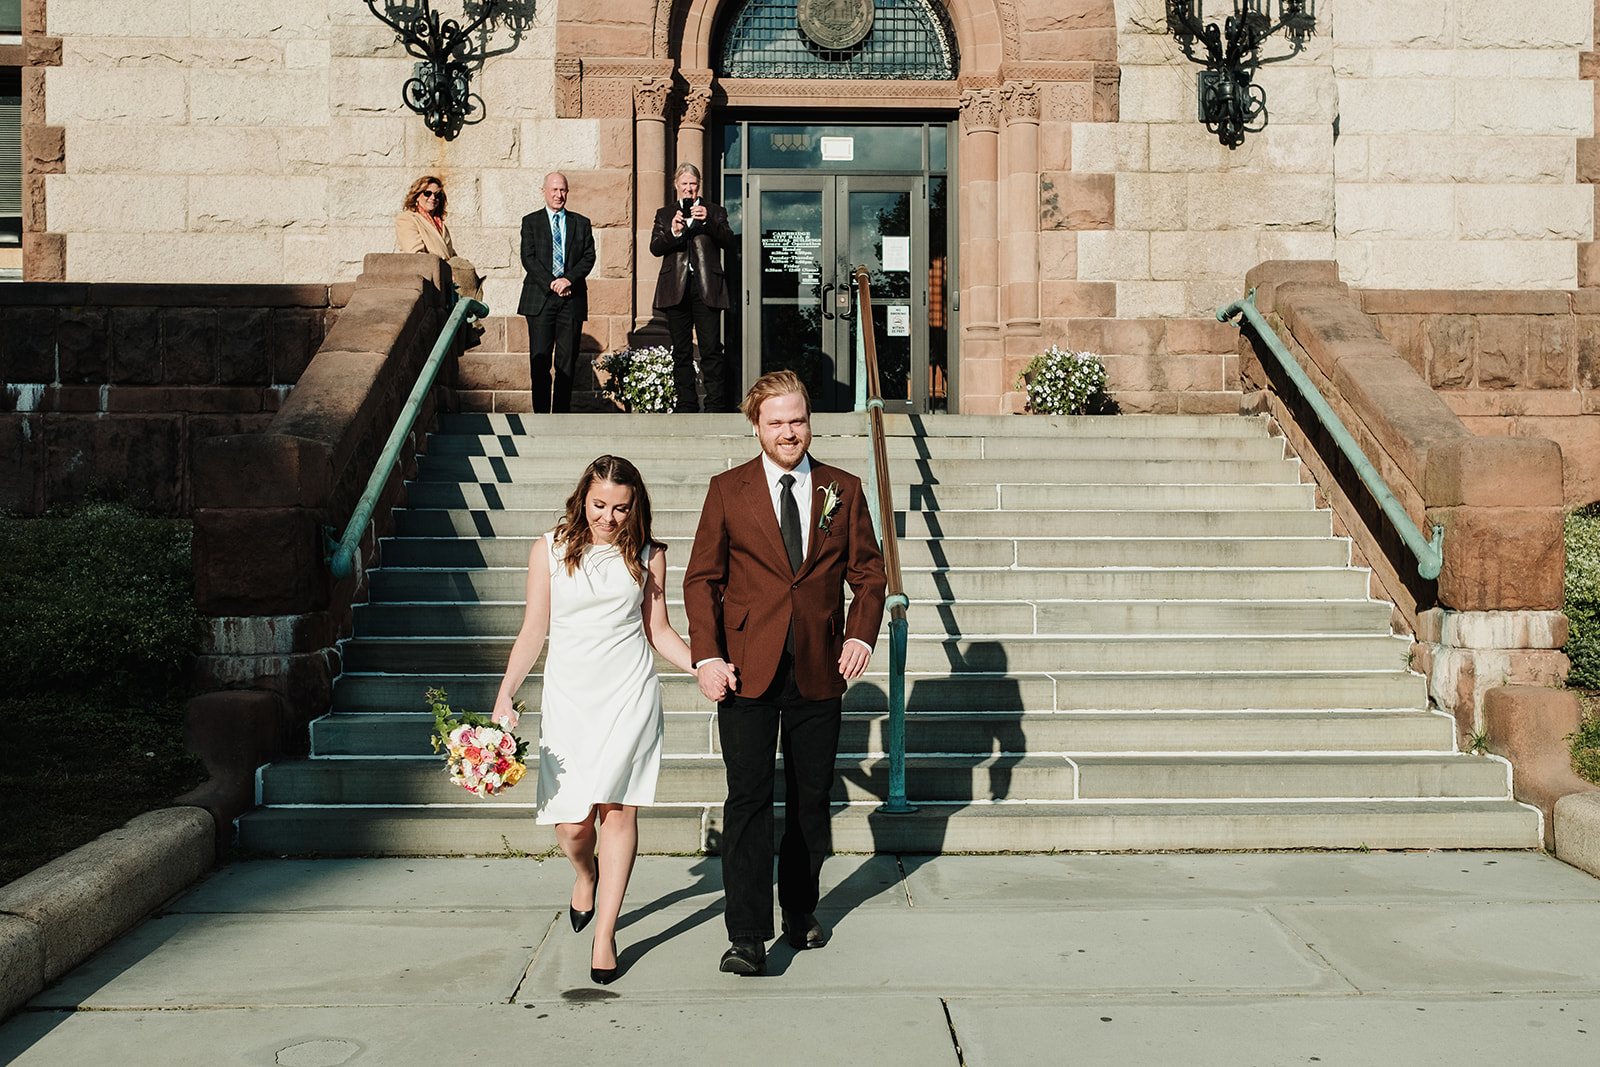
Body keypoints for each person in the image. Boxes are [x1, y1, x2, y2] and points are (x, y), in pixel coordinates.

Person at [683, 370, 888, 976]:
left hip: (820, 666)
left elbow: (870, 576)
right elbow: (702, 580)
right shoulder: (728, 490)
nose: (789, 432)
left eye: (797, 420)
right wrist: (707, 655)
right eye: (776, 423)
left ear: (808, 421)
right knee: (748, 798)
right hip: (745, 667)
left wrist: (860, 634)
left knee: (809, 800)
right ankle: (745, 933)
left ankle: (800, 908)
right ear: (757, 426)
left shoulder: (842, 489)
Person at [491, 456, 695, 985]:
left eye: (621, 508)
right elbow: (534, 628)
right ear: (583, 497)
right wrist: (506, 693)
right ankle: (586, 874)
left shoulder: (649, 555)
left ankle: (605, 936)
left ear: (636, 507)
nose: (609, 517)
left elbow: (660, 631)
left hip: (628, 695)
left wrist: (704, 665)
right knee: (573, 826)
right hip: (569, 699)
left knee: (618, 814)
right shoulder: (550, 550)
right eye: (600, 504)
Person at [650, 163, 739, 413]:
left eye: (693, 184)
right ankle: (686, 404)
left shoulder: (715, 211)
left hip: (707, 288)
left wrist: (708, 221)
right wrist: (673, 232)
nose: (689, 189)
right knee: (681, 351)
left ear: (699, 185)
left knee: (711, 349)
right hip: (675, 288)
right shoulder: (665, 213)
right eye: (684, 184)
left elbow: (729, 241)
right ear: (676, 186)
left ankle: (715, 405)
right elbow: (656, 248)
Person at [518, 172, 595, 413]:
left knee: (567, 361)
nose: (558, 195)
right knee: (539, 360)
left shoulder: (580, 223)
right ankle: (541, 415)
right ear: (544, 192)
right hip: (541, 300)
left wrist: (568, 280)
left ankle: (561, 415)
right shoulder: (531, 222)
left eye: (562, 190)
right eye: (554, 190)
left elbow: (588, 257)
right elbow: (528, 257)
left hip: (571, 300)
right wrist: (552, 282)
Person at [395, 175, 457, 259]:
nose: (433, 198)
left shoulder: (440, 225)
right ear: (417, 196)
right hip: (425, 270)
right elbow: (415, 253)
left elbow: (450, 254)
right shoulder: (407, 219)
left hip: (443, 271)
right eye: (427, 193)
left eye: (437, 194)